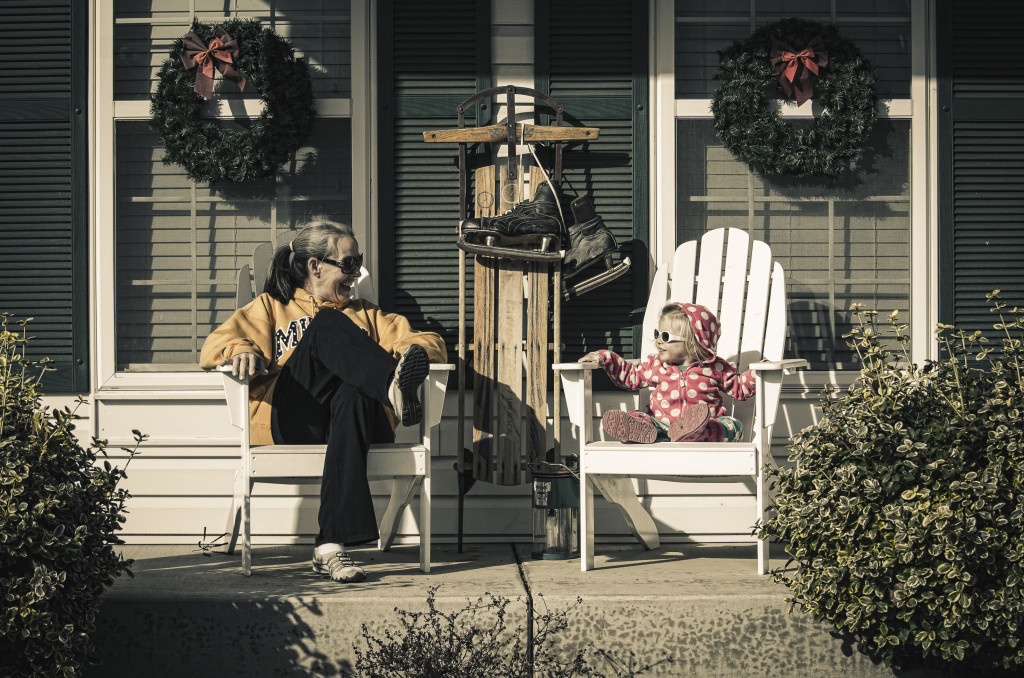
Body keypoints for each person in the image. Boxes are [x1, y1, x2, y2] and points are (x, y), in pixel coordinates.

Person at [200, 220, 446, 583]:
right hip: (294, 418)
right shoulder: (270, 308)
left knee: (353, 394)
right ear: (315, 266)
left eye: (358, 263)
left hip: (359, 424)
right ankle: (389, 386)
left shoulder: (368, 314)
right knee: (328, 326)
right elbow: (214, 345)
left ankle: (330, 546)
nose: (356, 273)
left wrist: (411, 350)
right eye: (347, 264)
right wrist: (241, 349)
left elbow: (431, 343)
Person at [579, 302, 754, 444]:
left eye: (665, 337)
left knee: (733, 426)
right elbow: (630, 375)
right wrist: (604, 357)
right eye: (657, 334)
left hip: (705, 424)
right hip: (660, 425)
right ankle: (636, 430)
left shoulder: (715, 368)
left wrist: (756, 373)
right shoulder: (656, 366)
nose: (658, 341)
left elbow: (740, 386)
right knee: (638, 416)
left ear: (693, 343)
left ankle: (697, 433)